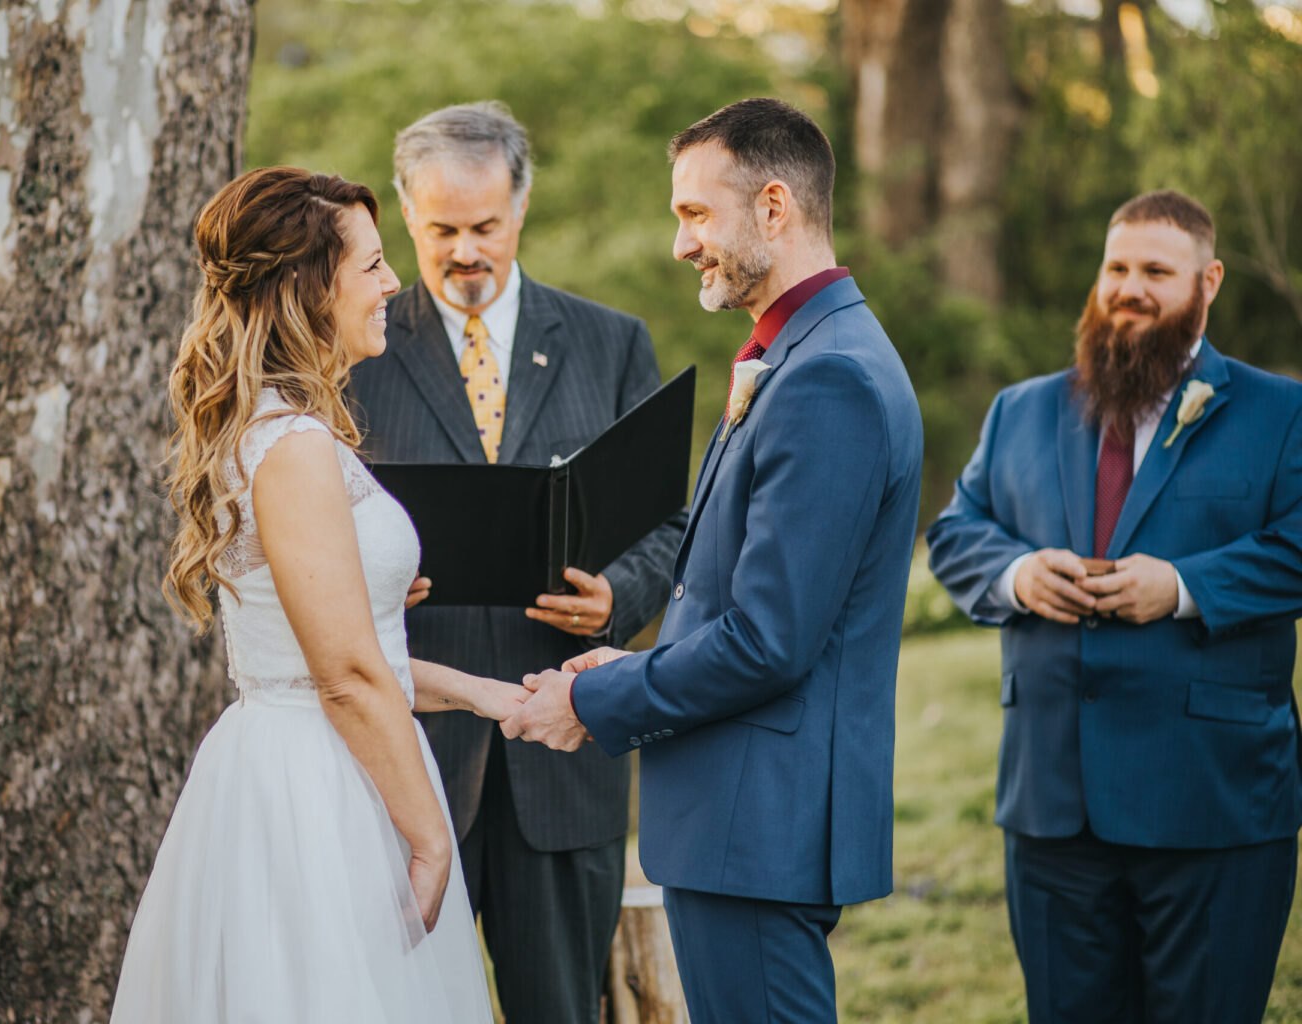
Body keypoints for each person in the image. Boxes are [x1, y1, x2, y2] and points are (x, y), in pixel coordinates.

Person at [504, 98, 923, 1024]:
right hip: (745, 821)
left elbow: (772, 640)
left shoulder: (830, 377)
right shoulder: (809, 352)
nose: (680, 243)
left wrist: (592, 700)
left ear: (773, 207)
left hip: (760, 822)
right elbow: (743, 601)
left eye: (695, 214)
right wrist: (633, 662)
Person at [110, 166, 526, 1023]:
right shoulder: (292, 445)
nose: (392, 284)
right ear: (310, 286)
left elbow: (341, 653)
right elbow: (340, 674)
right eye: (372, 266)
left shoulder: (282, 427)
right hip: (316, 790)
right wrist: (428, 836)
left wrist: (480, 693)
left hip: (321, 756)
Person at [926, 189, 1302, 1023]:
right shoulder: (1019, 410)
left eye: (1156, 272)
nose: (1130, 287)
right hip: (1052, 809)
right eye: (1117, 267)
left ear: (1208, 282)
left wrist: (1183, 587)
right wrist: (1018, 575)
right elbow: (956, 535)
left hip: (1214, 803)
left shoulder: (1280, 412)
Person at [347, 102, 683, 1024]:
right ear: (407, 220)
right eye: (442, 229)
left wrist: (617, 596)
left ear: (520, 212)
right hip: (407, 766)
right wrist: (373, 578)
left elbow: (668, 523)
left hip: (563, 753)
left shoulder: (612, 343)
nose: (466, 250)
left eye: (485, 227)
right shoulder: (352, 352)